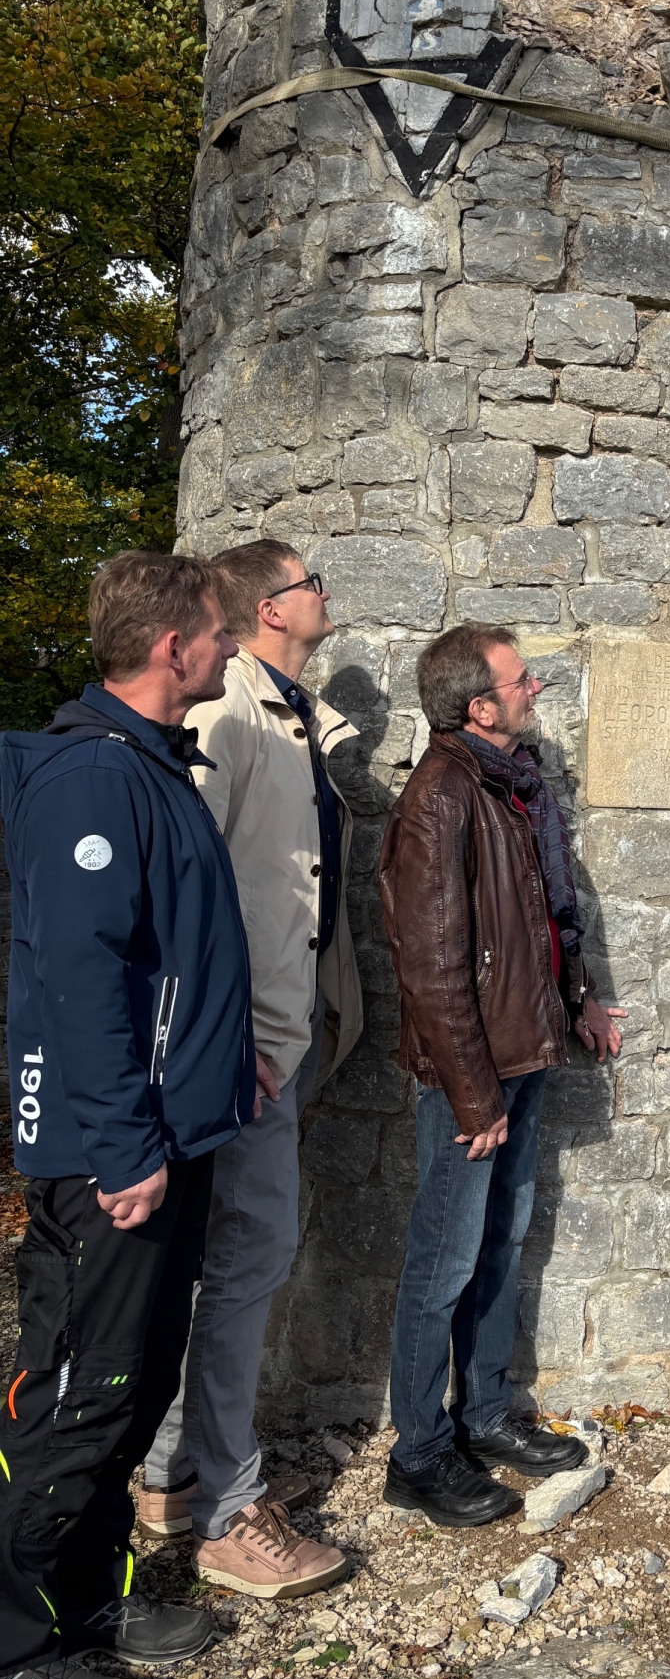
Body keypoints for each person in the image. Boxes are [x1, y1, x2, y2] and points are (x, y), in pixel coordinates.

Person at [0, 552, 254, 1679]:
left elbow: (173, 960)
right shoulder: (91, 782)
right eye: (217, 630)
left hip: (161, 1129)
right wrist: (117, 1148)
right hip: (113, 1153)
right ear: (173, 649)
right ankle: (13, 1643)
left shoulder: (155, 768)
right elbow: (83, 979)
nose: (228, 644)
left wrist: (217, 1061)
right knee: (78, 1396)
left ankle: (85, 1604)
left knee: (133, 1380)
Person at [136, 542, 363, 1600]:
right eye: (310, 579)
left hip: (277, 1037)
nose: (326, 590)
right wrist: (234, 1044)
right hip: (246, 1051)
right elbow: (193, 892)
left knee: (227, 1264)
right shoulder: (229, 712)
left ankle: (173, 1474)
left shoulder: (286, 714)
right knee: (242, 1265)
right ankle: (225, 1509)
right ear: (270, 609)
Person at [378, 625, 625, 1526]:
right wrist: (472, 1094)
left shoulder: (514, 787)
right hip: (469, 1077)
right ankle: (418, 1452)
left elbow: (546, 917)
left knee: (497, 1248)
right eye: (524, 680)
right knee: (440, 1263)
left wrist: (582, 999)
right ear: (479, 705)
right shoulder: (441, 796)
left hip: (522, 1053)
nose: (538, 689)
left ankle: (482, 1415)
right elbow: (430, 961)